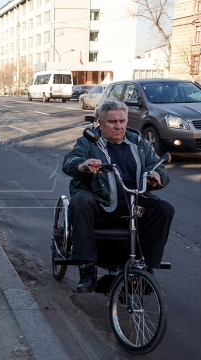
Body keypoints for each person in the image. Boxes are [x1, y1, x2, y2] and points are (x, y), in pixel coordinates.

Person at [62, 99, 174, 293]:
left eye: (122, 121)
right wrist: (83, 165)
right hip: (101, 204)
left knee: (164, 209)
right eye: (112, 121)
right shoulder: (89, 141)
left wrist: (157, 175)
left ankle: (143, 269)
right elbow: (70, 161)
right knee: (80, 202)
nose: (118, 126)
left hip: (134, 204)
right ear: (101, 122)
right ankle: (87, 270)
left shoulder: (138, 142)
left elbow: (158, 166)